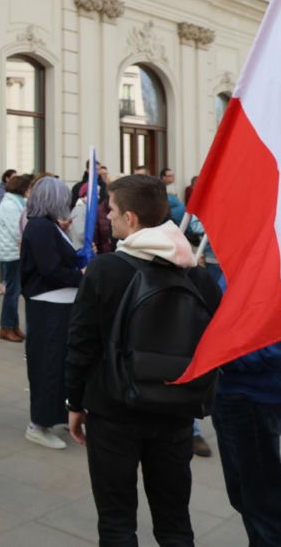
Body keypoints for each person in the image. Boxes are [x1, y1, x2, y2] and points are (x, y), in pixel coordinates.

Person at [66, 174, 221, 546]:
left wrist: (75, 402)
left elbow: (81, 345)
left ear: (132, 218)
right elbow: (215, 340)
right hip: (175, 410)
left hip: (114, 408)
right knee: (174, 522)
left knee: (117, 522)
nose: (109, 216)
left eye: (113, 210)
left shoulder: (106, 270)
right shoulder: (196, 275)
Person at [20, 176, 81, 450]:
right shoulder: (42, 227)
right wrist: (81, 275)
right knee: (48, 365)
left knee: (56, 365)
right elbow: (51, 270)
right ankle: (38, 423)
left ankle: (50, 417)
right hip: (48, 307)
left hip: (57, 306)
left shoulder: (48, 226)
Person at [211, 334, 281, 546]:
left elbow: (272, 349)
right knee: (242, 493)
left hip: (255, 397)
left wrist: (225, 353)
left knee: (263, 503)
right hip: (227, 392)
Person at [0, 172, 31, 342]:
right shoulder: (10, 204)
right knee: (12, 292)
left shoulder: (16, 202)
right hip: (11, 254)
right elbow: (18, 230)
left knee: (14, 292)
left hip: (15, 253)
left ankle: (13, 326)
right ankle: (6, 327)